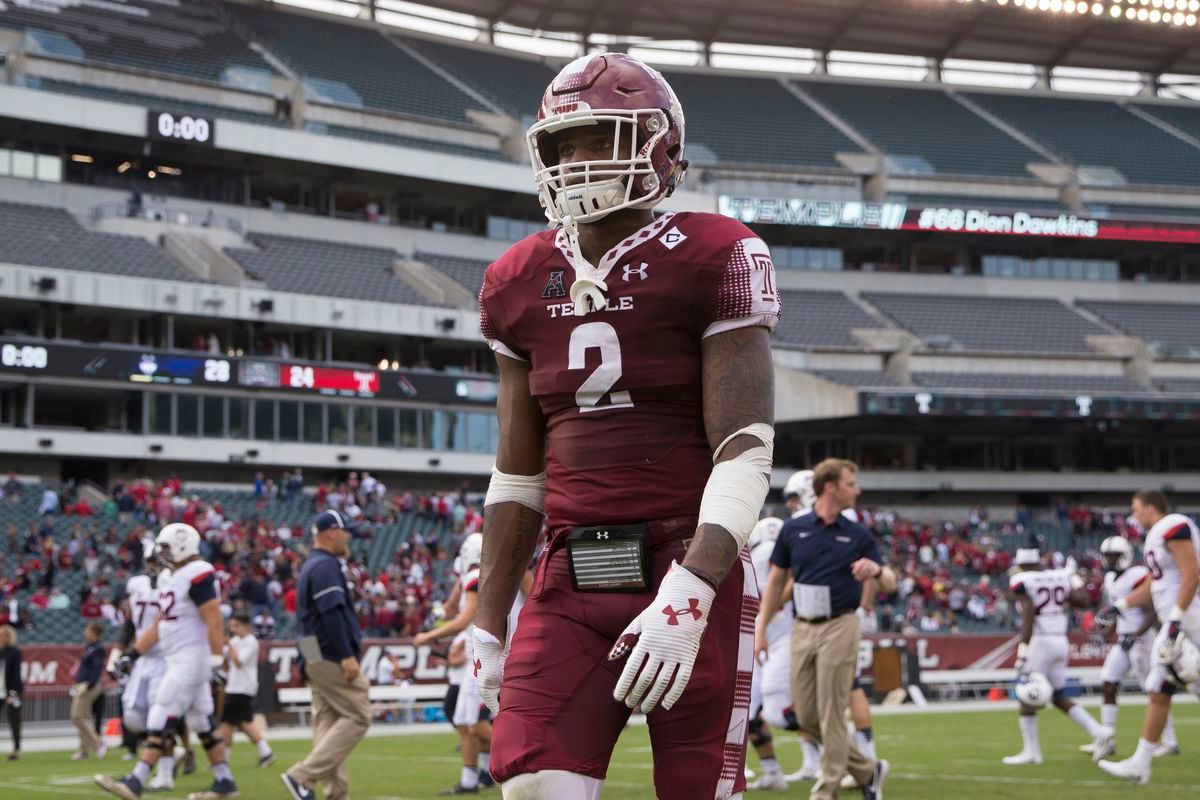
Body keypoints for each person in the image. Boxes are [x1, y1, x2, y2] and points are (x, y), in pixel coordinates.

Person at [473, 51, 779, 800]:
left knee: (697, 789)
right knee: (533, 783)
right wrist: (486, 621)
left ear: (659, 146)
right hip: (570, 574)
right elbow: (518, 474)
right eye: (564, 145)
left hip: (685, 560)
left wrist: (695, 588)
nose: (578, 162)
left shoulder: (716, 251)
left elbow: (743, 447)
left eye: (599, 139)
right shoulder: (515, 279)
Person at [758, 459, 893, 800]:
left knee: (832, 708)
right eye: (851, 483)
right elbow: (776, 582)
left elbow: (889, 581)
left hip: (840, 623)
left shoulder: (857, 532)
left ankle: (827, 787)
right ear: (830, 487)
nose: (857, 490)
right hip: (802, 626)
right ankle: (867, 770)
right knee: (805, 714)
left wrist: (875, 570)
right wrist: (761, 627)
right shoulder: (793, 529)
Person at [95, 523, 239, 799]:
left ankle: (136, 780)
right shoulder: (170, 578)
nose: (161, 553)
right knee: (201, 722)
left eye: (165, 547)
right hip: (177, 657)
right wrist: (132, 654)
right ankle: (225, 782)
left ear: (182, 544)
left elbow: (213, 619)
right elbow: (159, 626)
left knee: (162, 710)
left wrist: (216, 660)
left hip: (191, 657)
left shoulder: (198, 573)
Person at [1098, 489, 1200, 784]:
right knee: (1158, 687)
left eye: (1136, 509)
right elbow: (1155, 586)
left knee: (1162, 687)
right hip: (1180, 619)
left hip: (1189, 618)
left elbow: (1192, 574)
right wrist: (1119, 605)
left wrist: (1175, 620)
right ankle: (1140, 764)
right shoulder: (1158, 534)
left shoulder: (1173, 525)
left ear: (1150, 507)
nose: (1134, 515)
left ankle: (1140, 764)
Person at [280, 510, 370, 800]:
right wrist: (346, 655)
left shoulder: (312, 565)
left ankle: (335, 793)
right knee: (359, 715)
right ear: (331, 532)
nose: (349, 536)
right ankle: (301, 777)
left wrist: (309, 659)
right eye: (346, 530)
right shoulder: (326, 565)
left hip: (310, 647)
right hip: (327, 650)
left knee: (328, 723)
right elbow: (331, 612)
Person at [1004, 547, 1113, 766]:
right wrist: (1072, 577)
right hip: (1061, 641)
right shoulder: (1058, 576)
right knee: (1058, 695)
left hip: (1040, 641)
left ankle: (1032, 752)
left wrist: (1022, 651)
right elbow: (1083, 600)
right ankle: (1099, 731)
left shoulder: (1022, 579)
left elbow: (1028, 616)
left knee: (1027, 692)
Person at [413, 533, 494, 794]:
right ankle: (472, 779)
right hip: (475, 654)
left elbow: (464, 620)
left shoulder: (476, 576)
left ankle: (515, 760)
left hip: (479, 658)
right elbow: (453, 611)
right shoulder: (477, 576)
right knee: (463, 722)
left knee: (473, 724)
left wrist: (430, 635)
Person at [1082, 536, 1176, 760]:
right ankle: (1108, 738)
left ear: (1124, 556)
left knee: (1154, 690)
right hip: (1125, 639)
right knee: (1108, 681)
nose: (1108, 560)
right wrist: (1104, 635)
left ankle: (1170, 741)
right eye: (1106, 556)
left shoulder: (1137, 575)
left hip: (1143, 639)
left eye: (1113, 556)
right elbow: (1119, 612)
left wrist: (1135, 635)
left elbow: (1151, 611)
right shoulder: (1111, 578)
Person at [111, 543, 176, 789]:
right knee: (132, 716)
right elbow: (129, 622)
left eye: (157, 561)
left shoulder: (171, 582)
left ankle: (165, 772)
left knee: (158, 718)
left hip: (163, 657)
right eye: (151, 561)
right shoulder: (135, 584)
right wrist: (124, 652)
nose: (154, 567)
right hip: (141, 657)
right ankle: (163, 755)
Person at [745, 517, 790, 790]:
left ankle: (847, 755)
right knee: (750, 711)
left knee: (773, 712)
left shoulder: (763, 552)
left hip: (774, 639)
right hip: (766, 638)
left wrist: (765, 612)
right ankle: (772, 771)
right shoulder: (768, 551)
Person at [217, 611, 274, 768]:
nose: (234, 629)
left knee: (227, 723)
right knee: (243, 723)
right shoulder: (235, 641)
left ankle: (223, 759)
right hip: (234, 685)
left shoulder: (251, 642)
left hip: (242, 687)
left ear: (246, 626)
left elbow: (239, 662)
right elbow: (224, 662)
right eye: (232, 625)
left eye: (236, 625)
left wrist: (228, 645)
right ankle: (266, 752)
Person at [72, 622, 108, 761]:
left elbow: (97, 667)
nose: (85, 633)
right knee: (84, 717)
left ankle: (98, 743)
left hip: (88, 685)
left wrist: (90, 683)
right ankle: (83, 749)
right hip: (82, 683)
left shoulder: (98, 648)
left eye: (88, 630)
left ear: (94, 632)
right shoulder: (89, 647)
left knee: (77, 716)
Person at [0, 625, 22, 760]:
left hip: (10, 692)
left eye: (4, 636)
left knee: (14, 721)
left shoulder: (14, 652)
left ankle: (15, 749)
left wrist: (13, 693)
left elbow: (16, 674)